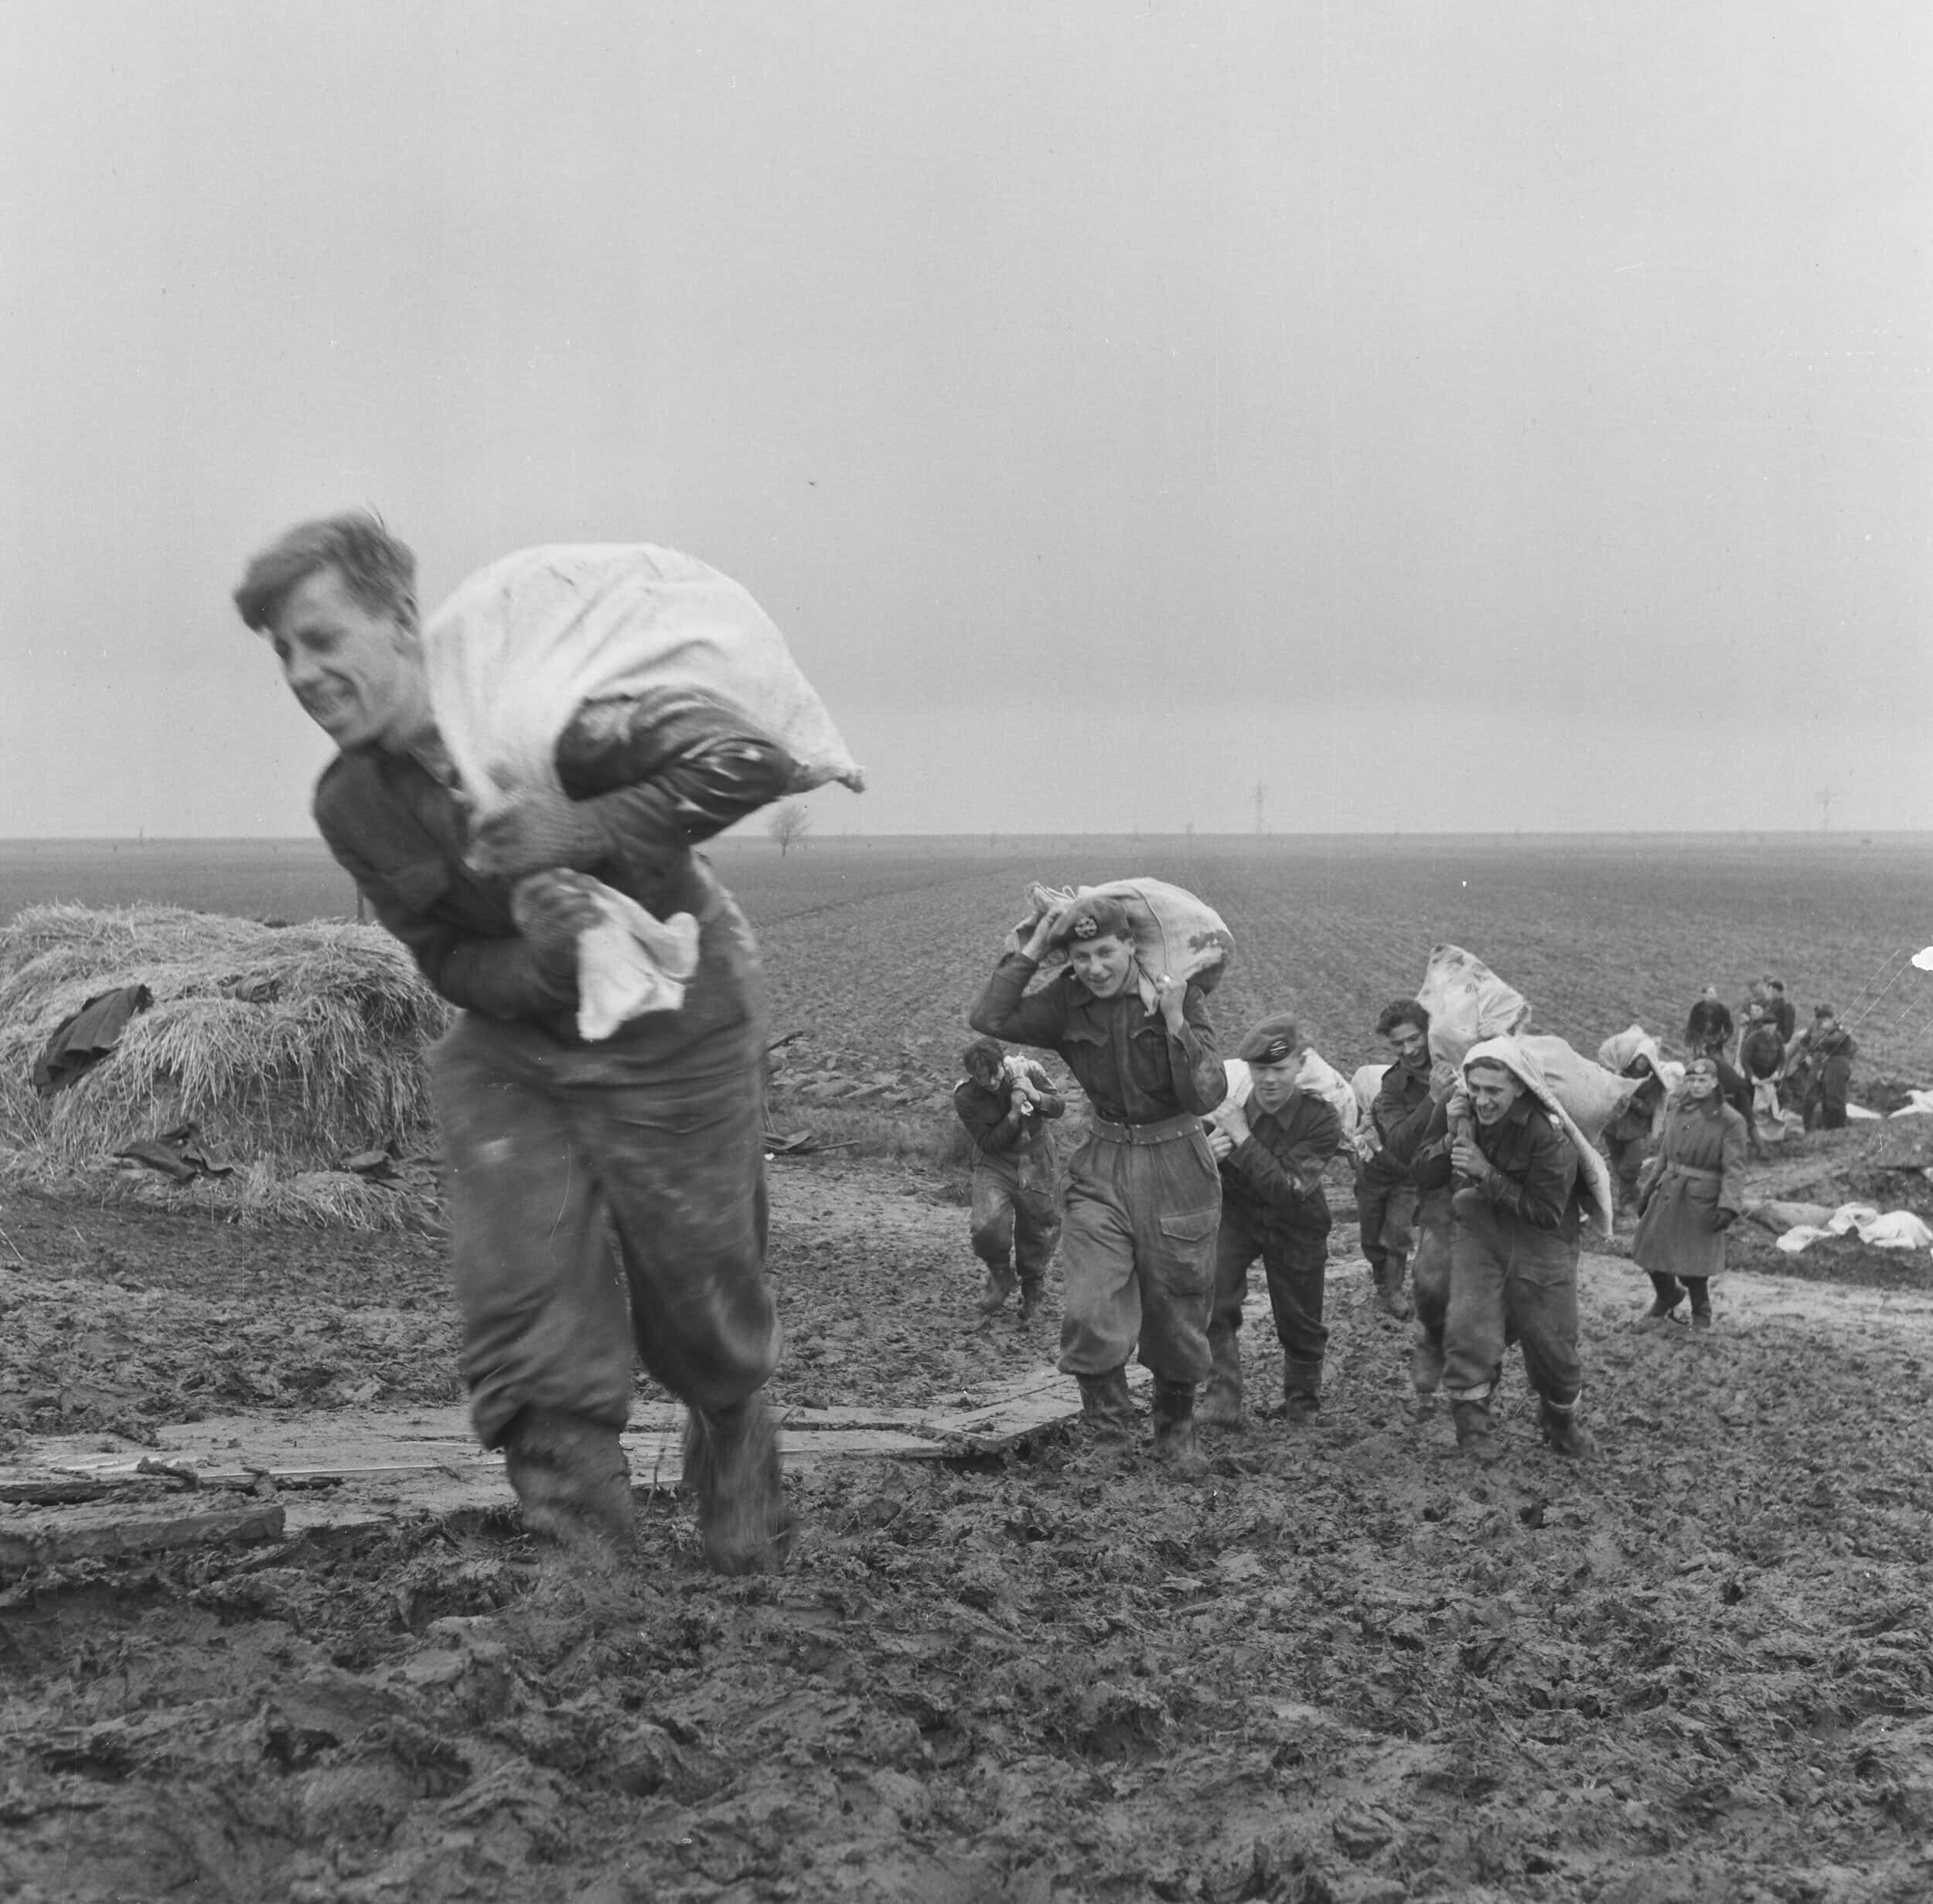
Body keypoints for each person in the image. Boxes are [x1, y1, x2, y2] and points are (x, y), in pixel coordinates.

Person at [234, 513, 796, 1573]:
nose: (303, 673)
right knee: (522, 1287)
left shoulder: (552, 710)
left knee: (701, 1295)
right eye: (284, 653)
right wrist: (540, 960)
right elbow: (447, 957)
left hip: (677, 1016)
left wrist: (582, 827)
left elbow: (752, 753)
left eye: (322, 638)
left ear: (402, 620)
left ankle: (732, 1431)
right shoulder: (353, 802)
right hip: (515, 1050)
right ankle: (586, 1560)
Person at [969, 894, 1226, 1473]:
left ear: (1131, 945)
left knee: (1177, 1306)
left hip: (1178, 1164)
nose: (1095, 967)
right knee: (1088, 1306)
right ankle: (1107, 1439)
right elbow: (989, 1019)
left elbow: (1207, 1093)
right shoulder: (1067, 1000)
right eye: (1081, 956)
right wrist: (1037, 945)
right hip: (1102, 1165)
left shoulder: (1178, 995)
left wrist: (1176, 1019)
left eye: (1106, 951)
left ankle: (1175, 1434)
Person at [1435, 1039, 1594, 1465]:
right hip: (1482, 1227)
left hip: (1542, 1239)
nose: (1483, 1100)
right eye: (1476, 1088)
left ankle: (1560, 1423)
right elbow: (1429, 1171)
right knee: (1469, 1324)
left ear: (1520, 1088)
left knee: (1552, 1343)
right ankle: (1473, 1430)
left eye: (1494, 1091)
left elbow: (1546, 1212)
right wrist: (1450, 1133)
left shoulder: (1549, 1137)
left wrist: (1484, 1171)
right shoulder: (1464, 1113)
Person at [1198, 1014, 1342, 1429]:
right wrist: (1206, 1155)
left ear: (1300, 1064)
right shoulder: (1227, 1108)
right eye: (1260, 1069)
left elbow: (1287, 1189)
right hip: (1239, 1217)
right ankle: (1222, 1399)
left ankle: (1302, 1404)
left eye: (1280, 1068)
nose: (1270, 1080)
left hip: (1297, 1222)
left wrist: (1242, 1137)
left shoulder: (1321, 1119)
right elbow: (1190, 1170)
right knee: (1213, 1294)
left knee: (1300, 1319)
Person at [1631, 1055, 1747, 1330]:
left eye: (1702, 1080)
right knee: (1650, 1248)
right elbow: (1664, 1155)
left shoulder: (1730, 1120)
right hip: (1668, 1190)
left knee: (1694, 1261)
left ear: (1714, 1082)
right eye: (1692, 1080)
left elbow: (1734, 1169)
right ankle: (1667, 1295)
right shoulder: (1677, 1109)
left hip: (1701, 1197)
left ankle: (1701, 1311)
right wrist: (1647, 1190)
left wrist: (1728, 1206)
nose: (1696, 1085)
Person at [953, 1038, 1065, 1320]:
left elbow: (1059, 1106)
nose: (990, 1082)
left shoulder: (1029, 1070)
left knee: (1040, 1227)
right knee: (986, 1225)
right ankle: (1000, 1274)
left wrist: (1035, 1096)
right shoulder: (966, 1097)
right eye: (981, 1078)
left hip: (1036, 1156)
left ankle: (1033, 1289)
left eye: (994, 1074)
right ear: (972, 1075)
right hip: (995, 1160)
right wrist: (1014, 1113)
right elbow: (988, 1142)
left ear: (1002, 1063)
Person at [1352, 1000, 1437, 1320]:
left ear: (1429, 1033)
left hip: (1408, 1178)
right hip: (1376, 1171)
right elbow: (1400, 1141)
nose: (1409, 1050)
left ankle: (1394, 1288)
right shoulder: (1393, 1085)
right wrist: (1434, 1099)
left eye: (1414, 1038)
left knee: (1399, 1232)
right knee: (1371, 1237)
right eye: (1398, 1043)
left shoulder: (1448, 1071)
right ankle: (1381, 1278)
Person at [1785, 1006, 1860, 1130]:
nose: (1822, 1022)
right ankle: (1807, 1127)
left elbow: (1847, 1044)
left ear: (1831, 1018)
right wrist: (1806, 1056)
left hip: (1833, 1064)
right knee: (1809, 1097)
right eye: (1820, 1020)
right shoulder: (1814, 1026)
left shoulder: (1839, 1029)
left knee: (1831, 1097)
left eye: (1825, 1019)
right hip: (1816, 1063)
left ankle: (1831, 1127)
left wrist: (1825, 1034)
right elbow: (1804, 1042)